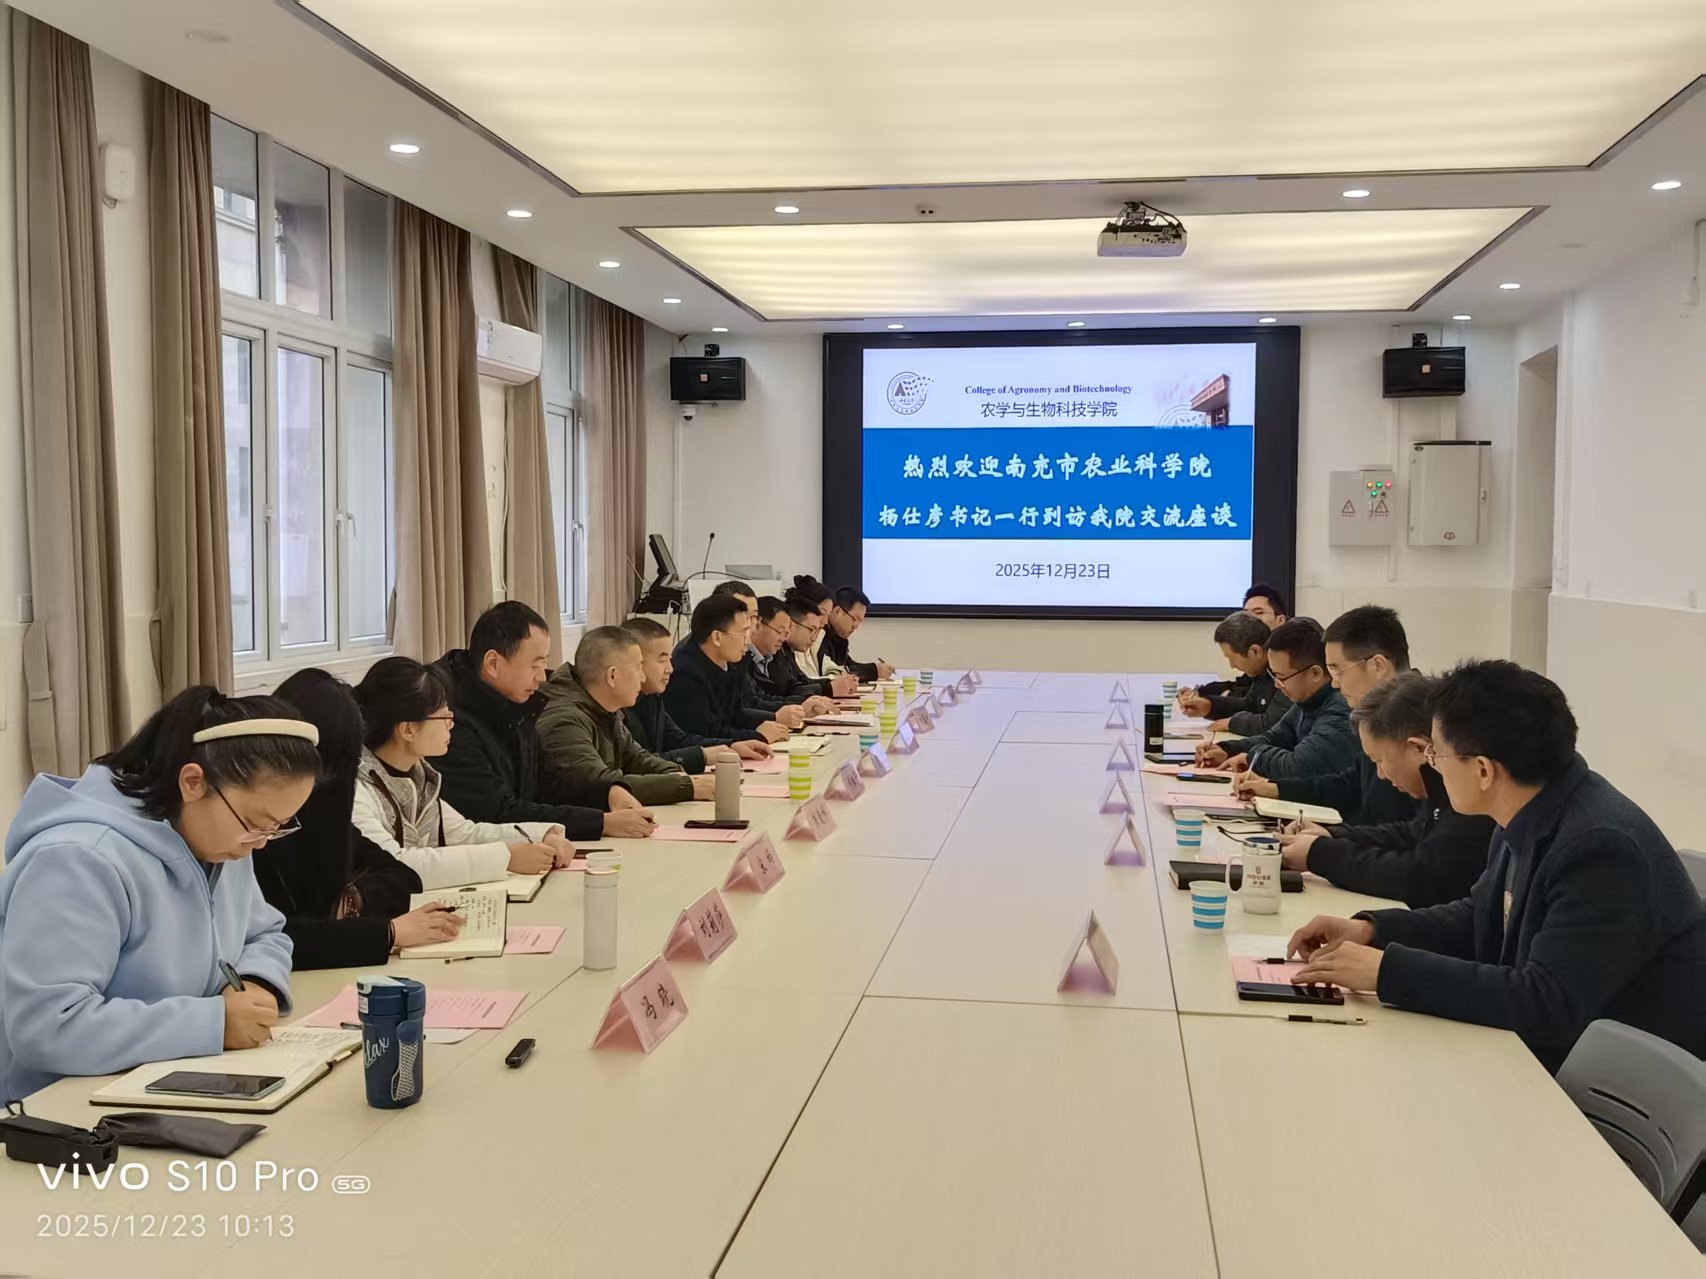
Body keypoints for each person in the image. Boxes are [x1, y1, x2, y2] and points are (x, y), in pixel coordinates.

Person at [1289, 660, 1706, 1072]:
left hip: (1614, 1077)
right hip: (1558, 1054)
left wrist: (1388, 971)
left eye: (1436, 752)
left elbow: (1546, 1002)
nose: (1432, 764)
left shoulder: (1600, 847)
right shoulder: (1532, 806)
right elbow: (1480, 914)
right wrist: (1374, 930)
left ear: (1484, 770)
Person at [0, 689, 312, 1100]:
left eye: (277, 827)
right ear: (193, 782)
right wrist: (212, 1023)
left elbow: (265, 932)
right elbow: (48, 1027)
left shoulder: (222, 843)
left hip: (177, 1082)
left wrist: (255, 982)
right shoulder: (79, 860)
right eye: (256, 823)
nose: (260, 843)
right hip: (67, 1110)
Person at [257, 669, 464, 969]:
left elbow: (402, 877)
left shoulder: (326, 818)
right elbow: (273, 935)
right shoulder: (257, 831)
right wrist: (388, 933)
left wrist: (352, 901)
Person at [434, 601, 658, 841]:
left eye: (544, 663)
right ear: (493, 663)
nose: (542, 677)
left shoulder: (515, 703)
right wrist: (600, 823)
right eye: (535, 665)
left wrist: (608, 792)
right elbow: (495, 813)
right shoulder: (447, 719)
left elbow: (549, 781)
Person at [353, 656, 578, 888]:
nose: (452, 724)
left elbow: (464, 834)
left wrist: (541, 835)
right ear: (408, 730)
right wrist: (506, 858)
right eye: (444, 717)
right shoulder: (355, 789)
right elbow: (397, 865)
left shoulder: (418, 776)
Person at [1278, 673, 1493, 907]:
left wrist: (1321, 855)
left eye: (1379, 760)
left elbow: (1423, 877)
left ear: (1418, 748)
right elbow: (1412, 833)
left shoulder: (1468, 796)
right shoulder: (1440, 787)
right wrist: (1333, 836)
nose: (1380, 774)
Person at [1235, 605, 1416, 825]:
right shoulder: (1379, 714)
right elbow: (1349, 783)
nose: (1335, 683)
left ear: (1377, 666)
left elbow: (1408, 834)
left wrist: (1330, 840)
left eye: (1338, 670)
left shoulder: (1421, 726)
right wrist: (1276, 789)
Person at [538, 627, 712, 806]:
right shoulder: (564, 721)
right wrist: (685, 786)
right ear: (612, 676)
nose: (643, 678)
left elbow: (637, 759)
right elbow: (600, 785)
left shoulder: (606, 709)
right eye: (638, 668)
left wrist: (676, 774)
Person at [1196, 620, 1357, 781]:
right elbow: (1274, 738)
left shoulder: (1341, 709)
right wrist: (1227, 749)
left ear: (1314, 673)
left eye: (1281, 677)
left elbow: (1299, 767)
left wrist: (1252, 757)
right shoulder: (1306, 701)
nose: (1276, 685)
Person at [618, 616, 770, 773]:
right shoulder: (618, 707)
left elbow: (678, 740)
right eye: (662, 661)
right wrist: (701, 756)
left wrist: (731, 746)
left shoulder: (650, 697)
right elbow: (636, 765)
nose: (670, 669)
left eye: (669, 659)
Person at [667, 592, 792, 744]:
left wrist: (768, 723)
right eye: (743, 633)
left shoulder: (729, 664)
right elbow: (706, 733)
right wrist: (757, 736)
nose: (748, 641)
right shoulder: (685, 674)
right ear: (717, 637)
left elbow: (736, 715)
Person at [709, 581, 805, 735]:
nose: (749, 625)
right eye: (743, 616)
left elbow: (746, 704)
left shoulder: (736, 655)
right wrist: (760, 731)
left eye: (753, 617)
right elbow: (706, 730)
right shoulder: (692, 663)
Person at [1178, 611, 1289, 735]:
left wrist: (1232, 723)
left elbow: (1275, 724)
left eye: (1232, 658)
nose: (1232, 665)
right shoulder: (1262, 671)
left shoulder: (1286, 671)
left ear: (1255, 651)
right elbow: (1250, 706)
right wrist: (1209, 707)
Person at [753, 596, 857, 704]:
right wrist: (827, 689)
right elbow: (785, 691)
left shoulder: (781, 653)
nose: (814, 638)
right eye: (812, 630)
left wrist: (831, 684)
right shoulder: (763, 656)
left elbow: (799, 682)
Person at [823, 585, 894, 682]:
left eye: (859, 621)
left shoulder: (839, 639)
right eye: (854, 619)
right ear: (837, 612)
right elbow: (836, 672)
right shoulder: (819, 635)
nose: (856, 626)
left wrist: (876, 669)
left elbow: (848, 665)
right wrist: (874, 671)